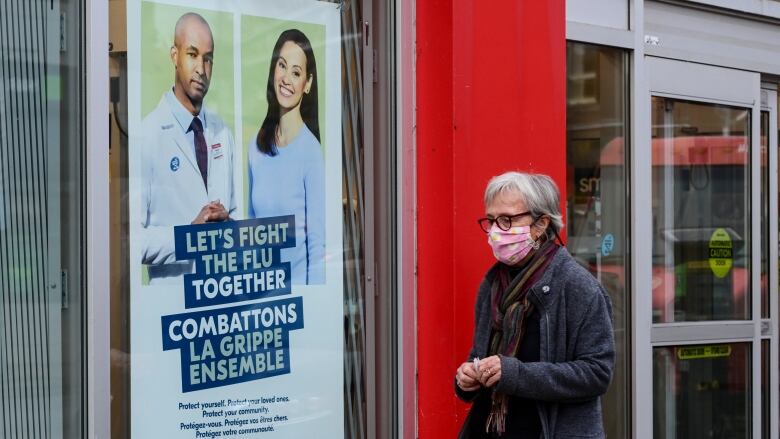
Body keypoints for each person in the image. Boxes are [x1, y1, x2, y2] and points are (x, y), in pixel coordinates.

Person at [454, 172, 614, 438]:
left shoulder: (577, 286)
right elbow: (478, 354)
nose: (495, 231)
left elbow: (597, 373)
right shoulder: (493, 283)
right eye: (491, 220)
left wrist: (515, 373)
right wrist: (468, 378)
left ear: (541, 224)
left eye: (506, 220)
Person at [138, 12, 236, 283]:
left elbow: (237, 216)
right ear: (174, 55)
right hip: (175, 312)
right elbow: (133, 241)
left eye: (208, 59)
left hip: (219, 301)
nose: (201, 70)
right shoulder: (147, 135)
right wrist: (187, 237)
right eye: (192, 54)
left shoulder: (223, 132)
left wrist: (228, 224)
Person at [248, 29, 325, 285]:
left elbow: (317, 246)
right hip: (259, 301)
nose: (286, 79)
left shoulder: (311, 152)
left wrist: (315, 306)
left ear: (308, 83)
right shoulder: (256, 147)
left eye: (296, 72)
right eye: (282, 66)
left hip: (296, 308)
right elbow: (251, 233)